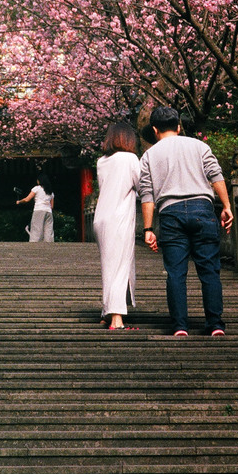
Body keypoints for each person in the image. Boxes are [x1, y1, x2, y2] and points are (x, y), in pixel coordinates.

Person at [140, 105, 233, 338]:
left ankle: (180, 326)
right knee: (210, 271)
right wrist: (227, 206)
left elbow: (147, 194)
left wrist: (148, 228)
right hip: (202, 208)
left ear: (154, 130)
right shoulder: (199, 146)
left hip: (170, 213)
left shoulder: (149, 155)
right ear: (179, 127)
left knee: (176, 273)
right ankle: (215, 325)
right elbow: (215, 175)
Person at [93, 121, 141, 330]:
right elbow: (142, 185)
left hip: (101, 217)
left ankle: (107, 311)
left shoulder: (101, 161)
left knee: (109, 266)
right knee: (120, 265)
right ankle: (117, 319)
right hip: (120, 217)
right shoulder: (130, 159)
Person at [16, 173, 54, 242]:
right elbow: (52, 206)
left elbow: (27, 199)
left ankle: (34, 246)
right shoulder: (50, 192)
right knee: (48, 230)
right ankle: (49, 246)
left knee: (37, 229)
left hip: (39, 210)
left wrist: (19, 201)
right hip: (48, 212)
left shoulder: (36, 189)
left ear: (39, 181)